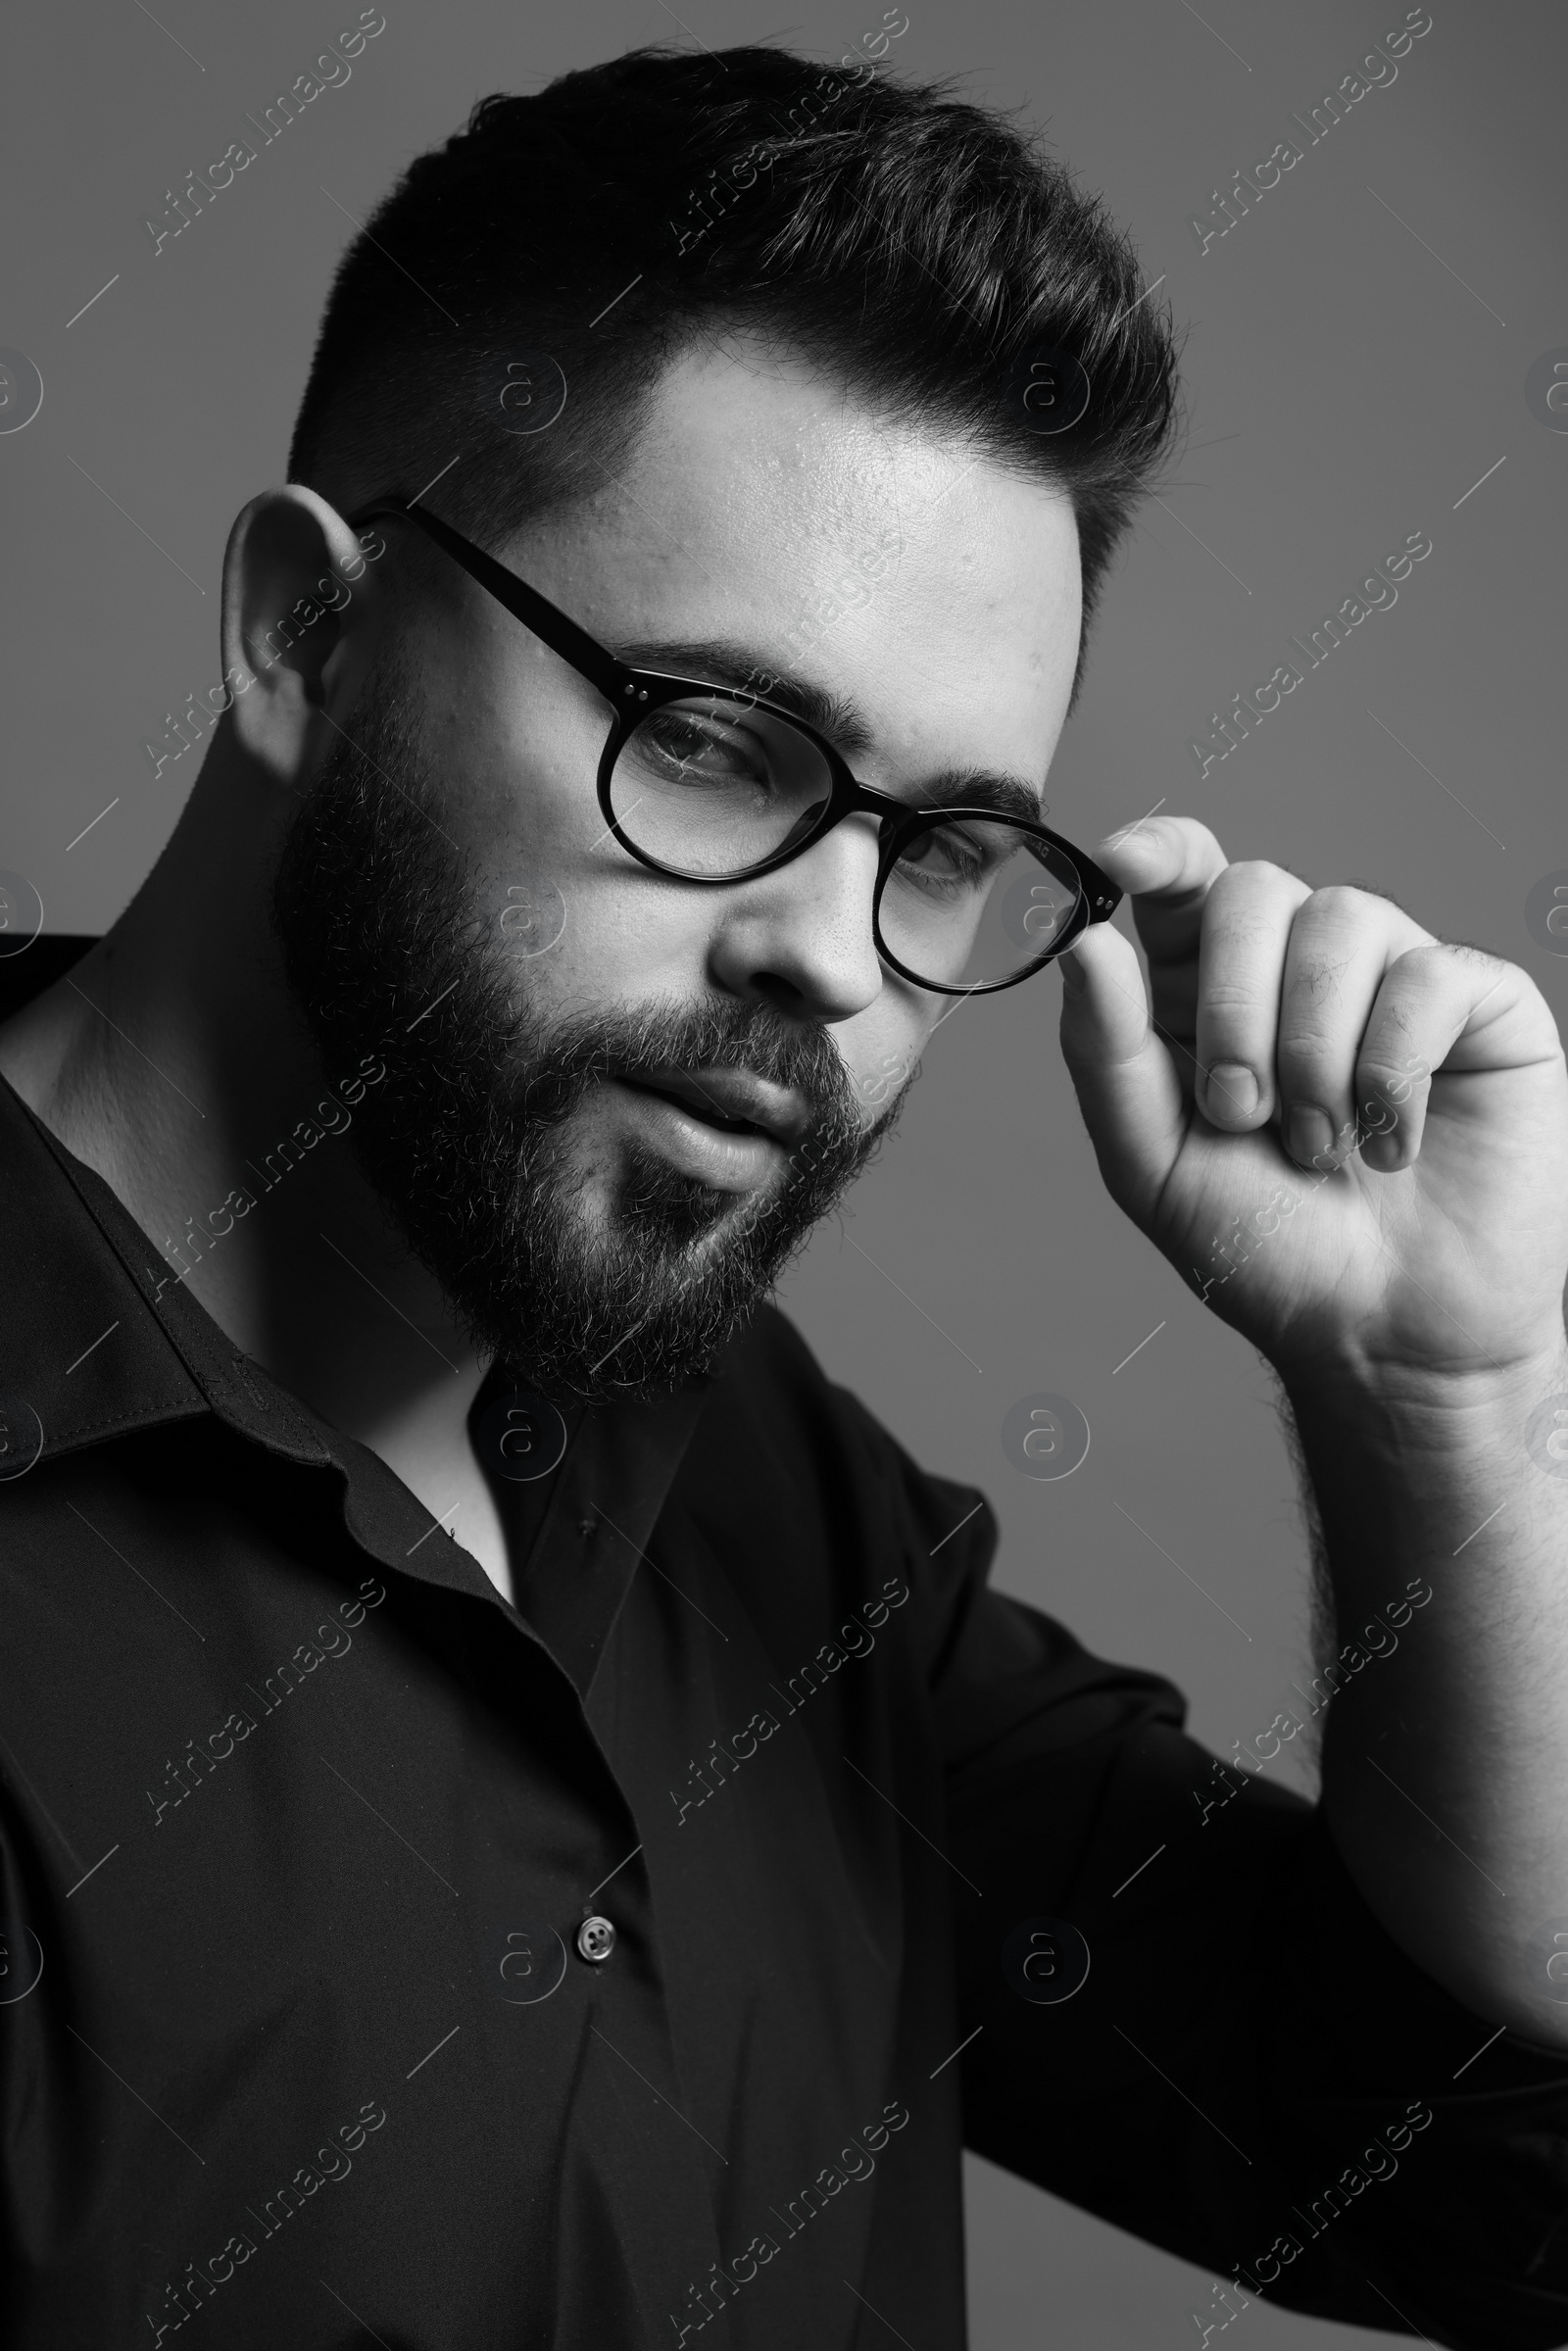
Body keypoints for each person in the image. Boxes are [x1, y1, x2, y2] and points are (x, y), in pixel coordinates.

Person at [1, 39, 1565, 2351]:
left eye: (936, 846)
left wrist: (1437, 1409)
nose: (830, 960)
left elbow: (1478, 2187)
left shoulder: (752, 1492)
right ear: (300, 638)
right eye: (714, 743)